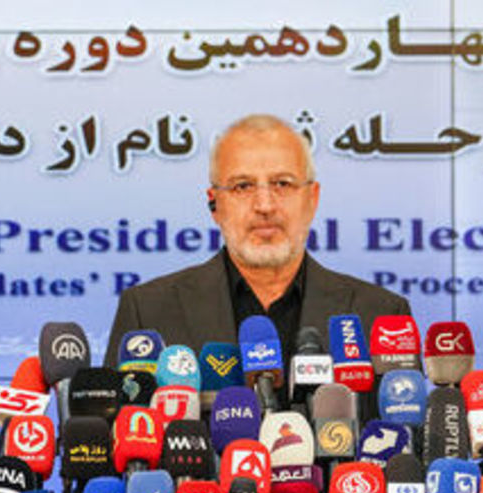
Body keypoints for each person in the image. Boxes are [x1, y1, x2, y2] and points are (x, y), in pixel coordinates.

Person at [103, 114, 411, 402]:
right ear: (215, 204)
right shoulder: (148, 312)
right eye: (243, 186)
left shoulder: (381, 315)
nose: (264, 205)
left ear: (312, 199)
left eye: (282, 184)